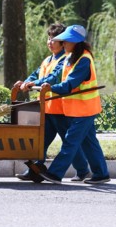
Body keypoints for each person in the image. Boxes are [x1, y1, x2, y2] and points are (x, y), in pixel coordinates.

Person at [23, 25, 110, 184]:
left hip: (85, 109)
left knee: (70, 142)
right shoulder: (70, 57)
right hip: (76, 110)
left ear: (75, 42)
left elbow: (69, 84)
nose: (62, 44)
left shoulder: (84, 59)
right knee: (89, 143)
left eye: (65, 42)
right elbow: (54, 76)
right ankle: (101, 174)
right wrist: (35, 83)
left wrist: (50, 88)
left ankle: (56, 173)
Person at [14, 23, 91, 182]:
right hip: (45, 108)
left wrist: (33, 84)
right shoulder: (47, 59)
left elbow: (52, 79)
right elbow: (36, 74)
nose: (50, 42)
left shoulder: (66, 59)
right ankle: (34, 169)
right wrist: (27, 82)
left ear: (63, 41)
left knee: (68, 142)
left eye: (54, 39)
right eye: (48, 38)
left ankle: (83, 170)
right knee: (40, 141)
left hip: (59, 109)